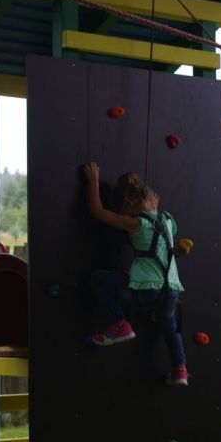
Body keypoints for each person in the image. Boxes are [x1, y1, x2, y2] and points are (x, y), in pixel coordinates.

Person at [83, 161, 188, 387]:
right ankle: (180, 369)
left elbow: (98, 212)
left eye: (123, 208)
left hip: (147, 293)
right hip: (171, 292)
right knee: (169, 326)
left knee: (98, 280)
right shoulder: (168, 219)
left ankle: (120, 324)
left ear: (129, 203)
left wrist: (93, 181)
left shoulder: (135, 223)